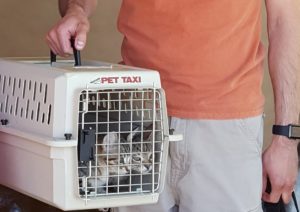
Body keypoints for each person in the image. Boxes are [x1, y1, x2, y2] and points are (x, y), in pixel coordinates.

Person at [46, 0, 300, 211]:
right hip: (137, 117)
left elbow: (284, 22)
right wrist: (76, 9)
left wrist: (286, 139)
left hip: (226, 123)